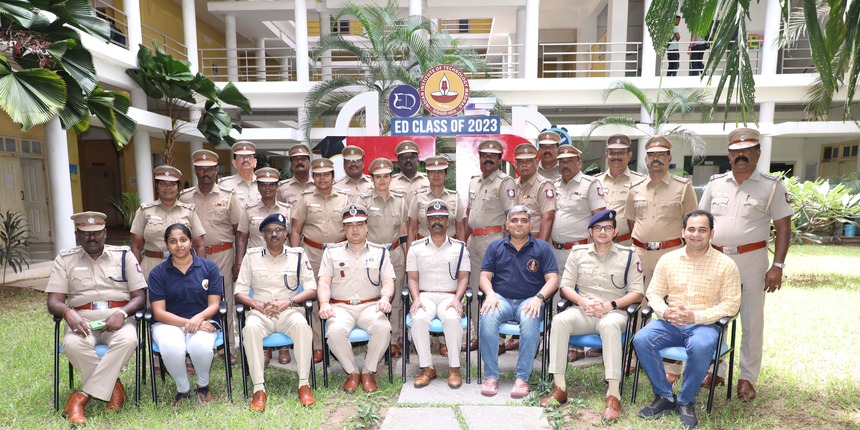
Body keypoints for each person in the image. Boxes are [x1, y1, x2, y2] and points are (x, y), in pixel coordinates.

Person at [698, 127, 792, 400]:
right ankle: (716, 369)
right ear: (728, 154)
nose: (741, 155)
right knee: (714, 316)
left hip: (751, 259)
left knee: (751, 319)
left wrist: (778, 266)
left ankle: (747, 377)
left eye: (747, 150)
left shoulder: (772, 185)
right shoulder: (715, 184)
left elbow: (784, 228)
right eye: (736, 151)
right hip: (715, 259)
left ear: (757, 153)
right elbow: (702, 221)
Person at [633, 210, 741, 429]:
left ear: (711, 233)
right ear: (683, 232)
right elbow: (653, 293)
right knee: (641, 339)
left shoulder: (726, 264)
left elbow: (732, 304)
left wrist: (696, 316)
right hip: (670, 322)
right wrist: (665, 312)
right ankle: (664, 396)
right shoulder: (668, 260)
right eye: (691, 229)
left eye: (702, 230)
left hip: (705, 325)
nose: (696, 234)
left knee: (700, 345)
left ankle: (685, 401)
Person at [540, 210, 644, 422]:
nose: (602, 231)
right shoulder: (578, 253)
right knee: (559, 321)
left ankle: (613, 394)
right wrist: (582, 301)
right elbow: (566, 286)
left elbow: (637, 292)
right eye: (598, 227)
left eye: (607, 227)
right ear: (590, 231)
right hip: (583, 310)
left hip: (614, 312)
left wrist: (610, 305)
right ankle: (559, 387)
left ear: (615, 231)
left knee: (609, 326)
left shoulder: (630, 255)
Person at [46, 212, 146, 425]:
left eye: (97, 233)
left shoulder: (124, 255)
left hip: (119, 318)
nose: (92, 238)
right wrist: (67, 312)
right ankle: (114, 389)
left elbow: (140, 297)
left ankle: (78, 398)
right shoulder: (65, 259)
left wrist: (123, 313)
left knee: (128, 340)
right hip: (82, 320)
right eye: (86, 233)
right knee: (72, 345)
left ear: (105, 233)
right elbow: (53, 302)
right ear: (77, 235)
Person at [235, 213, 318, 410]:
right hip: (260, 312)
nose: (274, 234)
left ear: (286, 233)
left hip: (288, 311)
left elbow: (311, 289)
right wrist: (256, 305)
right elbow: (239, 292)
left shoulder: (298, 256)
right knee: (250, 329)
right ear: (263, 234)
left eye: (279, 230)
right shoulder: (251, 256)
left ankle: (304, 384)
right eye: (270, 230)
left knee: (302, 326)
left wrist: (288, 302)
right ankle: (258, 389)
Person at [478, 206, 559, 398]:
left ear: (531, 225)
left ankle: (522, 378)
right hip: (501, 300)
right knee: (487, 318)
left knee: (530, 320)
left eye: (524, 220)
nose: (519, 224)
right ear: (507, 225)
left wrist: (539, 298)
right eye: (514, 220)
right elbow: (484, 276)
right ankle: (491, 376)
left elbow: (553, 280)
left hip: (530, 300)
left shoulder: (543, 248)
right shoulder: (495, 247)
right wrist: (490, 294)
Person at [317, 204, 396, 393]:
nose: (355, 229)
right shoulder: (331, 252)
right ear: (343, 228)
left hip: (370, 305)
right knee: (334, 332)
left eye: (359, 224)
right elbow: (324, 283)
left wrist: (385, 298)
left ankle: (368, 371)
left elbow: (388, 282)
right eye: (350, 225)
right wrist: (324, 303)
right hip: (341, 307)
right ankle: (352, 372)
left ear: (367, 226)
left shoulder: (381, 252)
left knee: (383, 328)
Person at [148, 224, 224, 407]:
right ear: (167, 245)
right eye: (173, 241)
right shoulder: (158, 273)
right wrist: (189, 322)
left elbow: (214, 304)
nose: (179, 245)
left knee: (200, 346)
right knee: (172, 347)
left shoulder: (208, 267)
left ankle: (202, 386)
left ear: (191, 242)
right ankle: (183, 389)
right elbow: (158, 312)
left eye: (183, 240)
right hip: (168, 323)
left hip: (203, 319)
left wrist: (198, 319)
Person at [179, 149, 241, 362]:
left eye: (210, 170)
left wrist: (237, 260)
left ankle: (227, 347)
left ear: (216, 171)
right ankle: (190, 347)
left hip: (222, 254)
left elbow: (238, 230)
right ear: (195, 171)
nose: (205, 173)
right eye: (201, 170)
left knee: (225, 300)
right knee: (193, 299)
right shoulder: (185, 197)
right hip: (191, 258)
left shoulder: (228, 197)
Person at [290, 158, 350, 363]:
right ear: (313, 178)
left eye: (326, 174)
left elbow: (352, 227)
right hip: (313, 253)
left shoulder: (344, 198)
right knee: (315, 298)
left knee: (340, 295)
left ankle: (340, 339)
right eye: (318, 175)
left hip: (340, 252)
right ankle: (318, 344)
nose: (322, 178)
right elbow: (296, 230)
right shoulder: (305, 198)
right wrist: (297, 257)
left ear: (333, 177)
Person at [406, 199, 470, 389]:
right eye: (433, 218)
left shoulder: (459, 248)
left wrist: (458, 299)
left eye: (441, 218)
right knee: (418, 318)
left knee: (451, 318)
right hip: (424, 296)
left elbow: (464, 278)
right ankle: (427, 368)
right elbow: (412, 278)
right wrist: (416, 299)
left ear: (448, 222)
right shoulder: (416, 248)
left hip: (450, 296)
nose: (437, 221)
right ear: (427, 223)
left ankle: (454, 368)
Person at [235, 167, 294, 365]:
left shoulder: (287, 209)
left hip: (282, 262)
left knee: (282, 297)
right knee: (262, 301)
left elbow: (293, 238)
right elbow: (242, 236)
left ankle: (284, 348)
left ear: (278, 186)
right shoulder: (249, 210)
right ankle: (266, 348)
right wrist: (239, 260)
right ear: (258, 187)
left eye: (271, 184)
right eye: (263, 184)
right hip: (256, 264)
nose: (267, 188)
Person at [626, 136, 697, 289]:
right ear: (646, 159)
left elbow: (692, 224)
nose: (655, 158)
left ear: (669, 158)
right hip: (640, 254)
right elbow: (632, 221)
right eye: (651, 155)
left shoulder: (683, 187)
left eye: (661, 154)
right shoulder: (634, 189)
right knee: (639, 301)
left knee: (669, 300)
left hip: (671, 253)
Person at [466, 139, 517, 353]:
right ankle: (480, 334)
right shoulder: (473, 181)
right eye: (484, 155)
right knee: (476, 287)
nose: (487, 159)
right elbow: (469, 212)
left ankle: (496, 340)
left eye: (492, 156)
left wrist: (508, 245)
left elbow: (512, 216)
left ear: (499, 159)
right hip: (474, 241)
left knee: (493, 290)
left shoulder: (505, 182)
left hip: (495, 241)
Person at [358, 158, 409, 358]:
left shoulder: (401, 200)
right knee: (372, 297)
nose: (382, 180)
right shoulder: (364, 201)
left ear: (391, 178)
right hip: (371, 255)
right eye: (378, 177)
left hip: (395, 253)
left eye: (385, 176)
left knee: (395, 300)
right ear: (372, 178)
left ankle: (394, 338)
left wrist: (407, 256)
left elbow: (403, 230)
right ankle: (374, 337)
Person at [130, 165, 206, 279]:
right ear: (157, 187)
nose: (168, 188)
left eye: (172, 184)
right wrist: (136, 273)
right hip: (152, 265)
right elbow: (136, 246)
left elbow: (199, 245)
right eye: (163, 184)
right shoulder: (144, 211)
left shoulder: (188, 211)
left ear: (178, 188)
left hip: (183, 266)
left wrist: (201, 271)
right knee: (154, 296)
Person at [595, 134, 645, 246]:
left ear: (629, 155)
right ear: (606, 155)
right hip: (599, 244)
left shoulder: (641, 182)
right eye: (612, 153)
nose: (616, 157)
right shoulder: (595, 182)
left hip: (626, 244)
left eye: (621, 153)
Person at [407, 155, 466, 243]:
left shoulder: (455, 198)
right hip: (423, 248)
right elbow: (412, 229)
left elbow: (460, 229)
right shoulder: (418, 197)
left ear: (445, 175)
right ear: (427, 175)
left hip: (449, 248)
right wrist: (409, 255)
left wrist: (462, 251)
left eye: (440, 172)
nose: (436, 175)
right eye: (432, 172)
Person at [514, 142, 556, 243]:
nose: (524, 165)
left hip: (534, 241)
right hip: (515, 244)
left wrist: (540, 249)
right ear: (516, 164)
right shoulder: (512, 185)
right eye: (520, 161)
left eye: (528, 161)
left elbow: (548, 219)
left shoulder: (544, 185)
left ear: (536, 163)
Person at [219, 141, 260, 208]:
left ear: (255, 162)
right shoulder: (225, 185)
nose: (245, 159)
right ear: (234, 163)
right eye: (241, 157)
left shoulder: (264, 184)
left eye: (249, 157)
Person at [391, 140, 430, 207]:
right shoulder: (390, 182)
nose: (408, 160)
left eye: (412, 157)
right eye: (403, 158)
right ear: (398, 163)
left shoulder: (428, 181)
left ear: (418, 161)